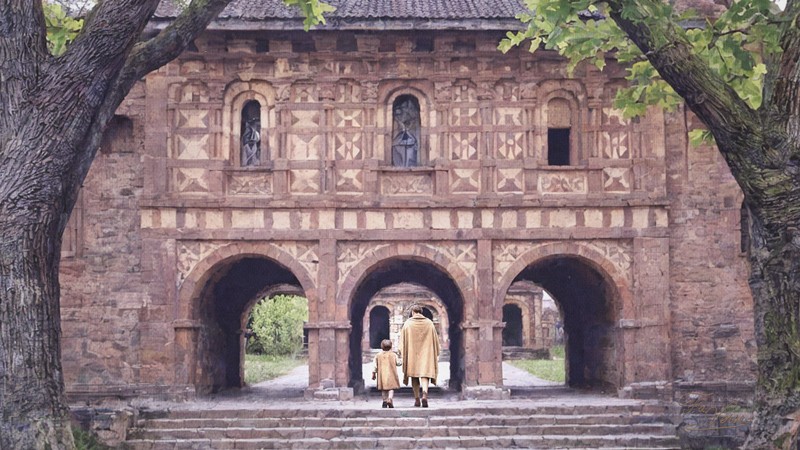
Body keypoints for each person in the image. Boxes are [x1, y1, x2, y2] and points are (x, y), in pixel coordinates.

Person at [399, 305, 440, 407]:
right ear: (421, 312)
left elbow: (402, 341)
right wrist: (436, 352)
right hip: (426, 354)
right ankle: (425, 394)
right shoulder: (429, 323)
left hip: (412, 354)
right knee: (425, 374)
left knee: (414, 375)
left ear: (413, 312)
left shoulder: (408, 324)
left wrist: (402, 352)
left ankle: (417, 399)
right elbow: (435, 339)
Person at [371, 339, 401, 408]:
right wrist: (400, 358)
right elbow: (399, 363)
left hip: (382, 376)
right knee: (391, 388)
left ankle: (384, 401)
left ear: (381, 346)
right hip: (391, 375)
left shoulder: (378, 355)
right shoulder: (393, 355)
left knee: (384, 389)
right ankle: (390, 399)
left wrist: (373, 373)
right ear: (391, 346)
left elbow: (374, 366)